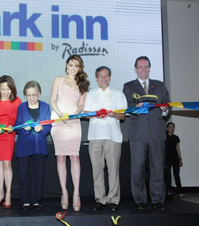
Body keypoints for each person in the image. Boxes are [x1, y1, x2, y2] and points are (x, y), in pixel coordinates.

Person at [123, 56, 170, 210]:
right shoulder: (128, 86)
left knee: (157, 167)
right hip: (138, 134)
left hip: (156, 133)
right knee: (137, 168)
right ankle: (140, 200)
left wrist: (165, 109)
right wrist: (136, 106)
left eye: (146, 66)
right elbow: (126, 107)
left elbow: (168, 105)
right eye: (140, 67)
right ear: (135, 69)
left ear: (149, 68)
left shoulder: (160, 85)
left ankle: (157, 200)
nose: (144, 69)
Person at [84, 66, 127, 212]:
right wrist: (97, 113)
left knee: (113, 169)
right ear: (96, 79)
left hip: (113, 135)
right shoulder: (90, 94)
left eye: (106, 76)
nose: (104, 78)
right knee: (97, 169)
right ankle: (100, 199)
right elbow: (86, 114)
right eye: (100, 76)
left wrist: (112, 114)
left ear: (110, 77)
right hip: (95, 135)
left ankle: (113, 199)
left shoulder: (118, 94)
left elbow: (122, 115)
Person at [50, 54, 89, 211]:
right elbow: (53, 100)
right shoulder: (59, 79)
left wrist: (73, 113)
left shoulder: (83, 83)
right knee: (60, 157)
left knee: (74, 156)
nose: (73, 68)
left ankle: (77, 194)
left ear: (80, 68)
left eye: (77, 66)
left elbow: (81, 105)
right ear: (66, 65)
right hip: (59, 120)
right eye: (71, 65)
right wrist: (61, 115)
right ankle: (64, 193)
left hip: (73, 120)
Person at [15, 81, 51, 210]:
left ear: (39, 94)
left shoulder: (46, 107)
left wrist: (42, 129)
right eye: (28, 95)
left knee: (38, 173)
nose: (31, 97)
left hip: (39, 145)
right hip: (24, 145)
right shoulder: (21, 107)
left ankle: (36, 199)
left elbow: (49, 126)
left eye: (34, 94)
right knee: (23, 173)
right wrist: (24, 129)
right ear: (25, 95)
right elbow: (17, 127)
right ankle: (25, 199)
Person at [0, 75, 21, 209]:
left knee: (7, 164)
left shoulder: (16, 101)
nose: (6, 92)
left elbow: (13, 117)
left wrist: (8, 127)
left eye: (8, 89)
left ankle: (8, 195)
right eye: (3, 89)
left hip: (8, 133)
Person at [164, 122, 183, 197]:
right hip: (167, 158)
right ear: (167, 128)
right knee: (167, 175)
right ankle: (168, 191)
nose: (172, 129)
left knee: (176, 174)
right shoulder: (164, 137)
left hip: (175, 158)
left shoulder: (176, 137)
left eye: (173, 127)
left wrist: (180, 159)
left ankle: (179, 191)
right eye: (170, 127)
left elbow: (178, 148)